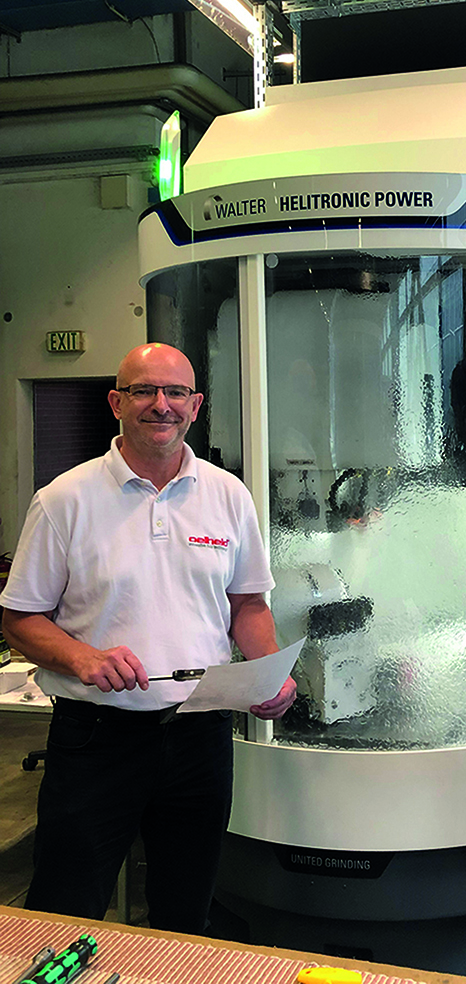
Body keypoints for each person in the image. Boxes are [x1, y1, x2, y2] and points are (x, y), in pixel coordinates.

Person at [2, 342, 296, 934]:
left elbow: (247, 604)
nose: (161, 404)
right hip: (96, 739)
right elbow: (20, 619)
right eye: (144, 390)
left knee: (185, 912)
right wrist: (82, 657)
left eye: (176, 392)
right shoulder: (63, 500)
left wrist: (268, 670)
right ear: (117, 402)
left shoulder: (228, 494)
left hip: (200, 737)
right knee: (63, 910)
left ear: (196, 405)